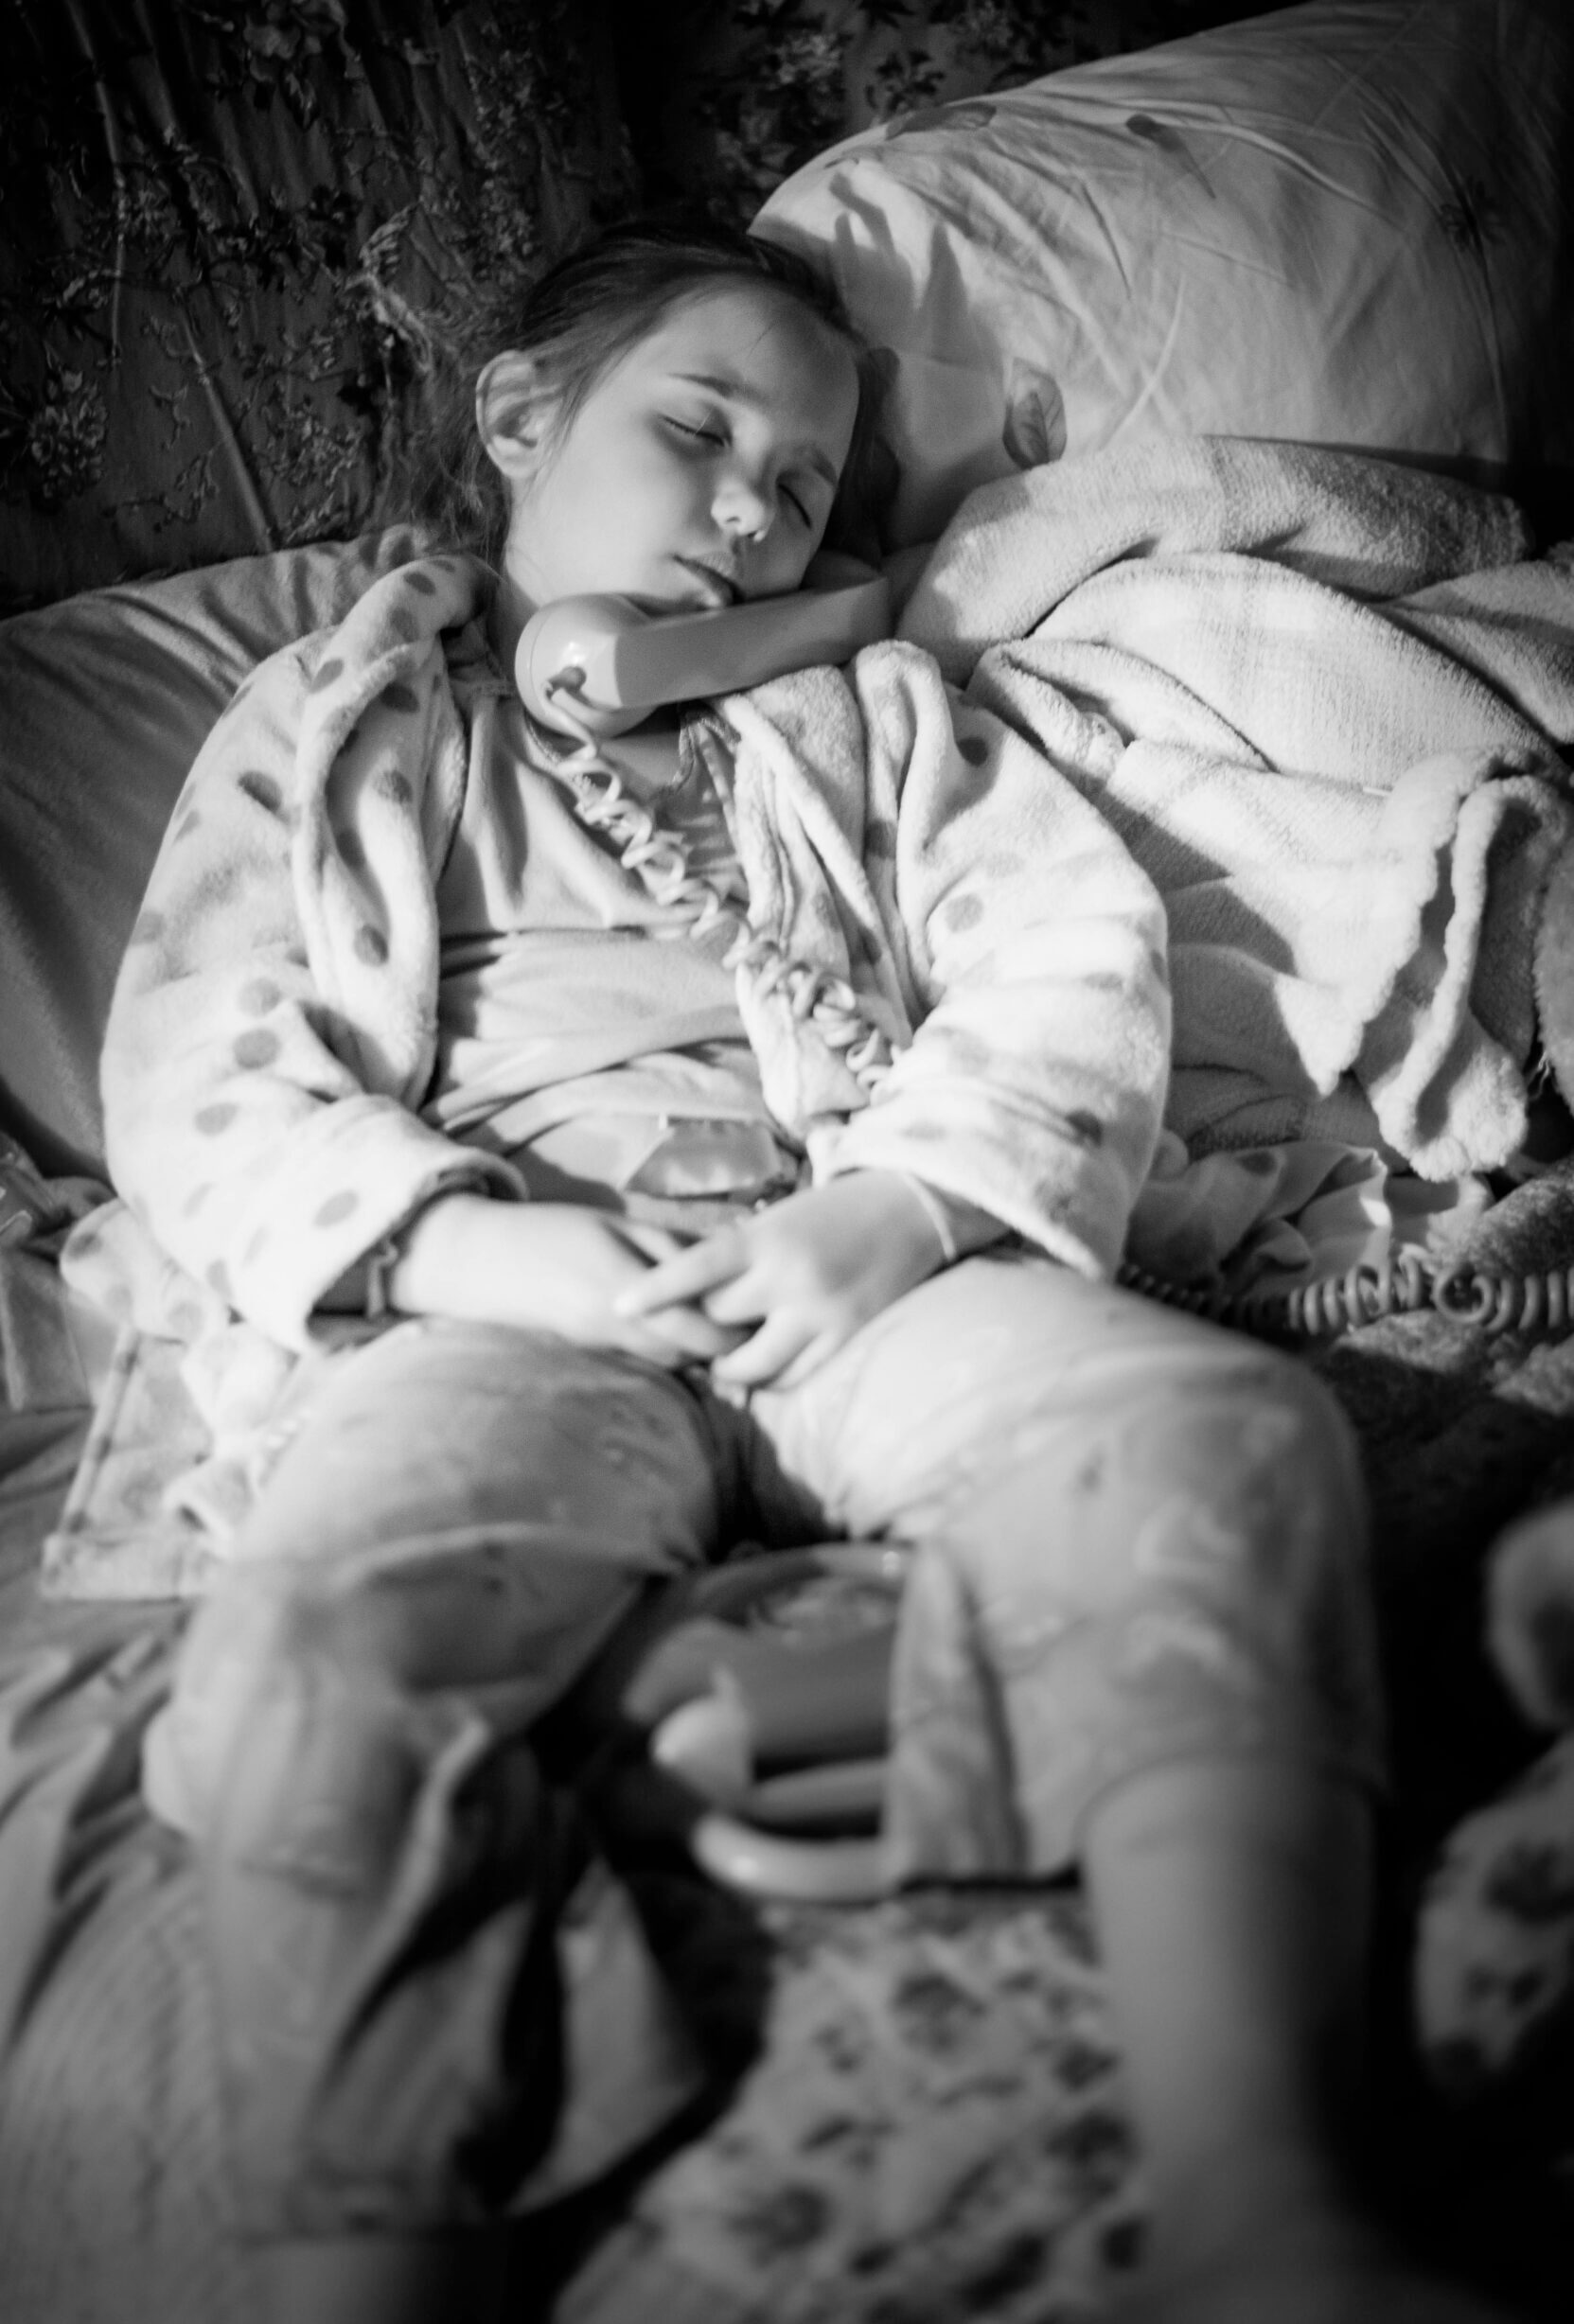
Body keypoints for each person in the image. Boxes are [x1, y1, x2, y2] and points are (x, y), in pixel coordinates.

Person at [79, 218, 1520, 2324]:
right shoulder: (351, 705)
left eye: (807, 488)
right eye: (698, 431)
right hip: (503, 1282)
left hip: (841, 1242)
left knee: (1212, 1432)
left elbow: (1065, 948)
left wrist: (906, 1201)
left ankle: (1262, 2201)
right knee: (325, 1647)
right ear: (514, 419)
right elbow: (198, 1039)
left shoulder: (861, 711)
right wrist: (479, 1245)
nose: (753, 505)